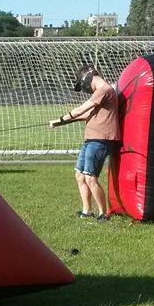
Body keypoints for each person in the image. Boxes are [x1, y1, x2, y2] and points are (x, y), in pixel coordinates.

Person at [49, 62, 120, 221]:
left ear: (88, 77)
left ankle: (103, 213)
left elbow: (81, 109)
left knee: (90, 177)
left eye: (83, 85)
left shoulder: (104, 90)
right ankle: (87, 211)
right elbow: (85, 115)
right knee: (80, 175)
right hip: (91, 139)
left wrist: (61, 118)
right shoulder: (101, 93)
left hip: (100, 140)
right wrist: (60, 123)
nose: (85, 88)